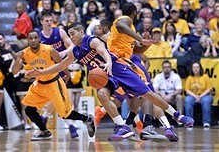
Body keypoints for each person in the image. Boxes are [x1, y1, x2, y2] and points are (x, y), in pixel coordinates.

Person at [27, 21, 193, 141]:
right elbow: (59, 67)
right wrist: (40, 72)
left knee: (147, 94)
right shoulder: (75, 52)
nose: (71, 37)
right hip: (105, 77)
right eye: (69, 35)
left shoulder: (91, 40)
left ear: (81, 32)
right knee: (102, 94)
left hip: (117, 69)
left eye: (73, 34)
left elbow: (103, 51)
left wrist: (107, 61)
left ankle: (177, 115)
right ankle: (122, 126)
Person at [12, 30, 95, 140]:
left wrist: (67, 75)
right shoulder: (25, 53)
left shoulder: (49, 50)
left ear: (39, 39)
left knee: (65, 114)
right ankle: (44, 132)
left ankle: (87, 119)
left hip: (53, 83)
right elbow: (14, 72)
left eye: (35, 38)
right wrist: (18, 59)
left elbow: (61, 63)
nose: (33, 40)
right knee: (29, 110)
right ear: (27, 40)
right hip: (39, 85)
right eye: (30, 38)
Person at [184, 62, 213, 128]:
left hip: (204, 95)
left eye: (197, 67)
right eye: (194, 67)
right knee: (187, 100)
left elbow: (209, 89)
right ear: (191, 69)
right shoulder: (189, 78)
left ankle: (206, 122)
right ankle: (189, 122)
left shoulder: (205, 76)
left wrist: (200, 96)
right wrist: (195, 96)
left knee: (206, 101)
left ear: (200, 68)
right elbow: (187, 90)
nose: (195, 69)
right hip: (193, 96)